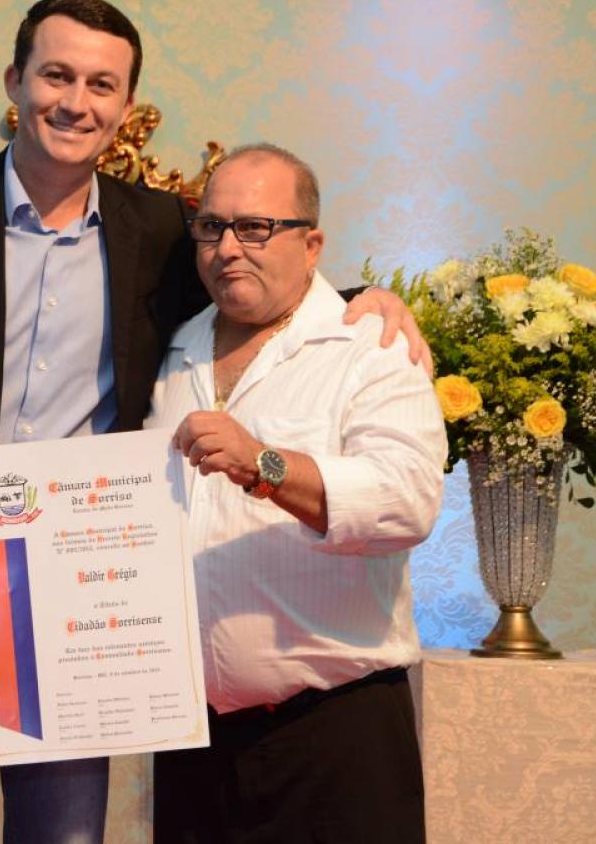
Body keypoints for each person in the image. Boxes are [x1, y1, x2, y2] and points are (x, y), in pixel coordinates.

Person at [0, 0, 428, 844]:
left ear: (127, 107)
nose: (75, 102)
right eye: (56, 75)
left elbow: (255, 274)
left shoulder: (159, 230)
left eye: (101, 85)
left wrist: (364, 297)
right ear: (15, 81)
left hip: (78, 596)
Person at [147, 144, 446, 844]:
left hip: (335, 739)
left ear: (312, 245)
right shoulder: (167, 352)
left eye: (255, 227)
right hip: (192, 748)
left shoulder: (369, 346)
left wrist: (265, 464)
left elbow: (408, 501)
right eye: (212, 227)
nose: (228, 248)